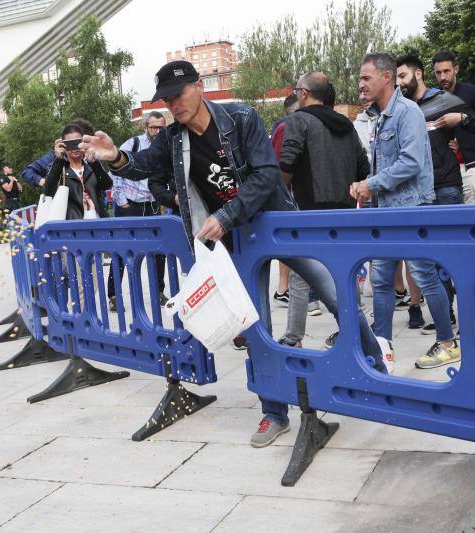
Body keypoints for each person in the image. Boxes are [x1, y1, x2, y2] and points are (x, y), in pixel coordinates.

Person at [81, 59, 387, 448]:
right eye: (167, 100)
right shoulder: (174, 138)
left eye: (179, 95)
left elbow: (266, 174)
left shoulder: (241, 119)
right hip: (235, 244)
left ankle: (377, 366)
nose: (174, 105)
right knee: (255, 325)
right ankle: (273, 412)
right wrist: (115, 157)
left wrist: (225, 215)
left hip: (275, 225)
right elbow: (144, 167)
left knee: (333, 292)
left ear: (199, 88)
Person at [351, 53, 460, 370]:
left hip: (411, 208)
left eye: (366, 78)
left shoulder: (407, 112)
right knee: (382, 279)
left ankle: (448, 343)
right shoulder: (379, 117)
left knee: (425, 276)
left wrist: (371, 184)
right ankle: (381, 347)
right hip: (386, 212)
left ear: (386, 77)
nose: (361, 84)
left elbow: (411, 162)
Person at [278, 71, 370, 349]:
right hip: (344, 210)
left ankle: (293, 338)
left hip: (309, 212)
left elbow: (286, 165)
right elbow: (363, 169)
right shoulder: (347, 124)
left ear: (304, 94)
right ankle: (355, 331)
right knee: (347, 271)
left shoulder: (298, 120)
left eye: (296, 91)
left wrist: (281, 201)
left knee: (300, 274)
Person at [396, 54, 475, 331]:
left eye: (402, 76)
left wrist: (462, 121)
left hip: (446, 186)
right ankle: (446, 316)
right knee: (430, 257)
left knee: (452, 254)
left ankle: (468, 316)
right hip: (418, 190)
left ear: (418, 74)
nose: (398, 82)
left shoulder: (442, 99)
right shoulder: (401, 108)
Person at [433, 49, 475, 301]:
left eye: (446, 71)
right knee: (452, 233)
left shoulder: (473, 93)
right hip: (446, 176)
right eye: (438, 72)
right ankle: (456, 283)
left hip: (472, 169)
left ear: (456, 69)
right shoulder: (432, 97)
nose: (443, 76)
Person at [107, 111, 169, 310]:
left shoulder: (166, 147)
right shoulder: (132, 144)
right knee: (122, 251)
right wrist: (122, 201)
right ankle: (114, 296)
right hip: (129, 205)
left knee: (159, 251)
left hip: (151, 205)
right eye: (153, 127)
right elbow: (114, 172)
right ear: (146, 126)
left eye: (161, 127)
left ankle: (158, 291)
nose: (158, 131)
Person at [268, 93, 300, 308]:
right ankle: (282, 288)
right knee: (289, 243)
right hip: (287, 196)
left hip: (289, 195)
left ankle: (284, 289)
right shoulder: (285, 128)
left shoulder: (286, 126)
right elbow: (281, 167)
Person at [43, 123, 112, 221]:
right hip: (73, 227)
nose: (75, 148)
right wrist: (58, 160)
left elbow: (107, 185)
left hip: (98, 222)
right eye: (70, 144)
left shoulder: (92, 166)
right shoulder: (58, 169)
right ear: (63, 146)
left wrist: (94, 163)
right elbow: (47, 192)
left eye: (77, 143)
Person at [22, 118, 96, 188]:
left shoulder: (92, 155)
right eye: (74, 142)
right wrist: (45, 182)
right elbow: (28, 172)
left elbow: (104, 183)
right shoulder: (56, 156)